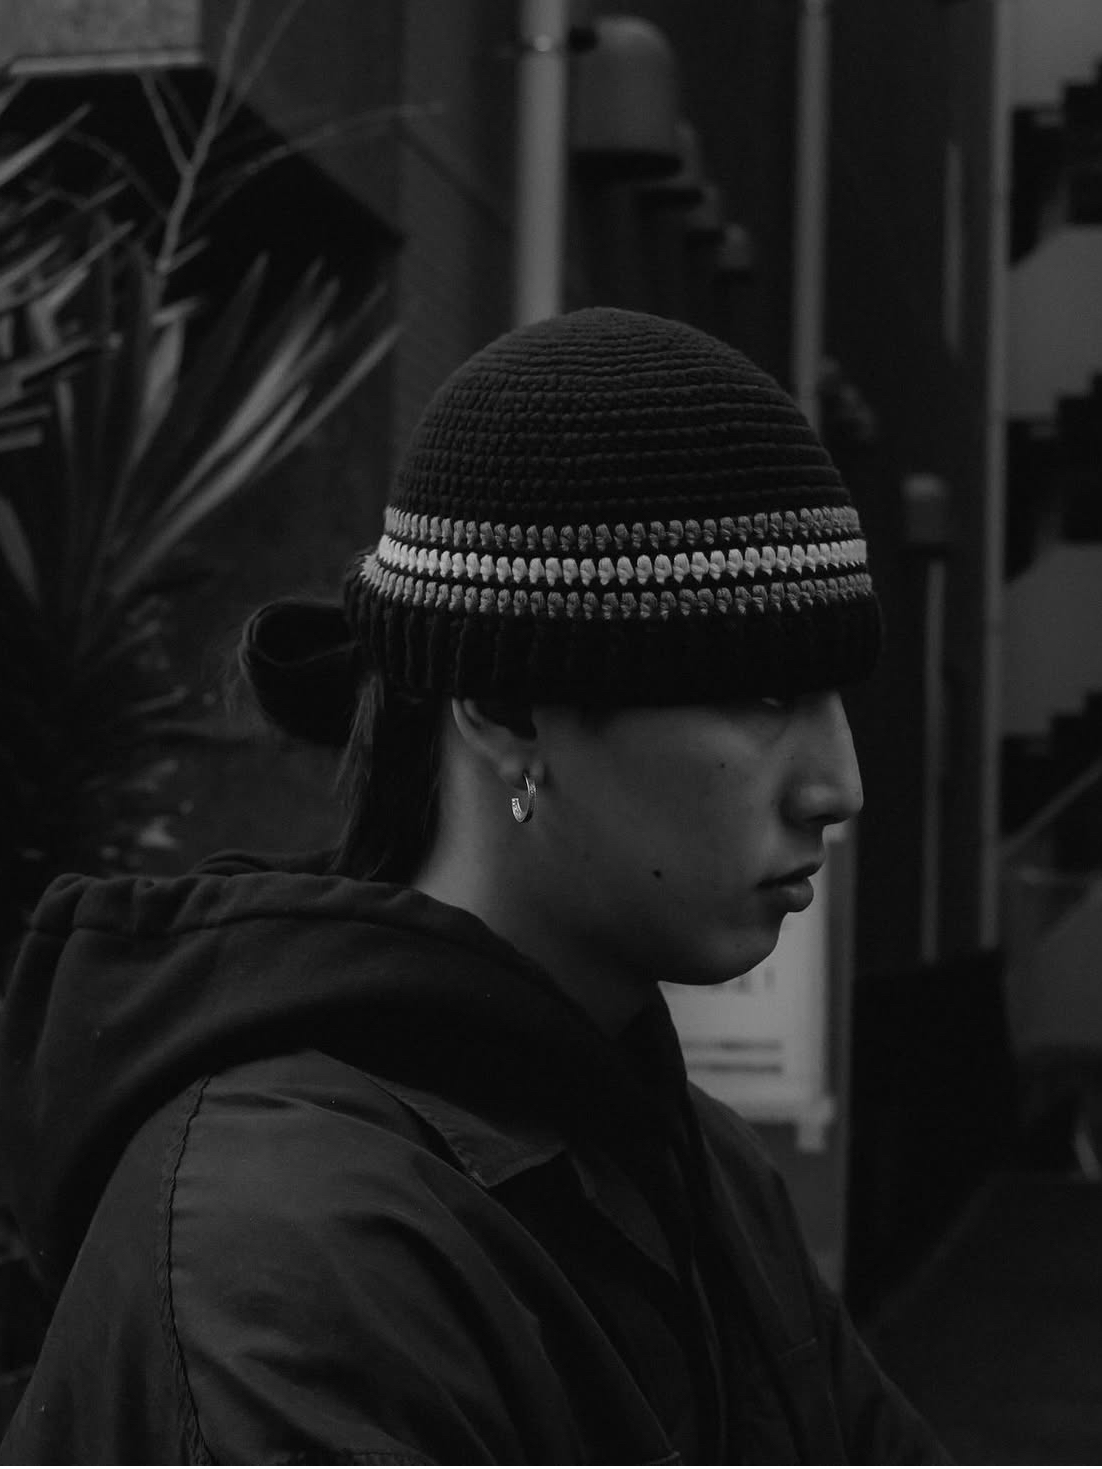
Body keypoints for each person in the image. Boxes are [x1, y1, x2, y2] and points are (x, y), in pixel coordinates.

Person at [0, 307, 948, 1464]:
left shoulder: (695, 1160)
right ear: (502, 708)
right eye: (763, 694)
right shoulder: (283, 1247)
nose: (838, 784)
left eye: (838, 695)